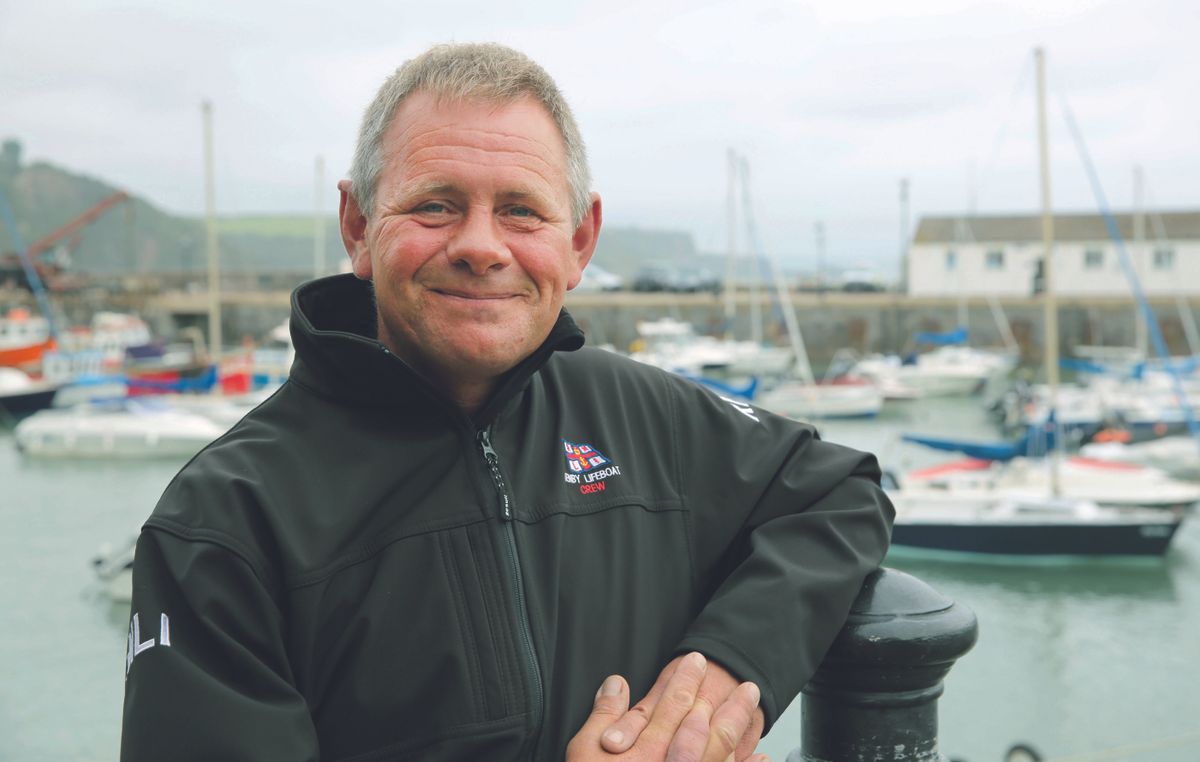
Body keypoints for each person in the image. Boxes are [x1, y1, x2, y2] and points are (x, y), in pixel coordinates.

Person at [120, 42, 893, 761]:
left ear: (580, 241)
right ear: (358, 226)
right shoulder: (225, 522)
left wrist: (723, 675)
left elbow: (837, 490)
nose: (482, 246)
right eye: (436, 205)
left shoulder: (639, 412)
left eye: (521, 210)